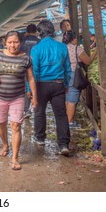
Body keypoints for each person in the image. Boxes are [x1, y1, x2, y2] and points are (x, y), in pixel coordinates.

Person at [0, 31, 37, 170]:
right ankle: (5, 144)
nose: (12, 45)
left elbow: (31, 78)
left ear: (20, 43)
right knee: (1, 124)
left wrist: (35, 96)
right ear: (5, 43)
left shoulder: (26, 58)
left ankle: (15, 158)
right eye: (9, 42)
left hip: (17, 97)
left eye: (15, 42)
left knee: (16, 125)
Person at [30, 20, 71, 156]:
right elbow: (67, 69)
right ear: (52, 31)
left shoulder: (36, 48)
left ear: (40, 33)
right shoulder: (62, 47)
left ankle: (40, 138)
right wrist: (66, 84)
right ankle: (64, 145)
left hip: (41, 85)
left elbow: (34, 71)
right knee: (61, 114)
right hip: (59, 84)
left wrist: (31, 90)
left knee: (39, 112)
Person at [63, 31, 97, 128]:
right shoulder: (77, 49)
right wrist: (96, 52)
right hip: (74, 75)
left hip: (63, 75)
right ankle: (70, 122)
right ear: (73, 39)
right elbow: (88, 61)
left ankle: (66, 119)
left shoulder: (62, 48)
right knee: (73, 100)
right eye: (76, 38)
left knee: (67, 98)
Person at [20, 24, 40, 119]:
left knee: (25, 88)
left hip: (23, 67)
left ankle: (26, 110)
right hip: (37, 68)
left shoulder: (21, 42)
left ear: (26, 31)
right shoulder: (39, 42)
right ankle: (36, 108)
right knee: (36, 87)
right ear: (36, 31)